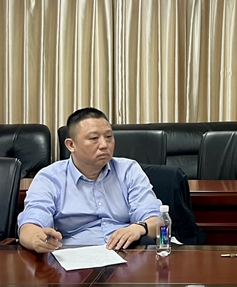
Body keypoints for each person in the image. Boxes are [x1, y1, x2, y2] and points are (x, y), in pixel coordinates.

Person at [18, 108, 161, 253]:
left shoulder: (129, 170)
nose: (104, 145)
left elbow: (158, 220)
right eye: (94, 138)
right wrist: (37, 239)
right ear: (71, 145)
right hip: (75, 257)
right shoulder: (50, 177)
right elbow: (30, 224)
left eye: (109, 137)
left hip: (125, 254)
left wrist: (139, 228)